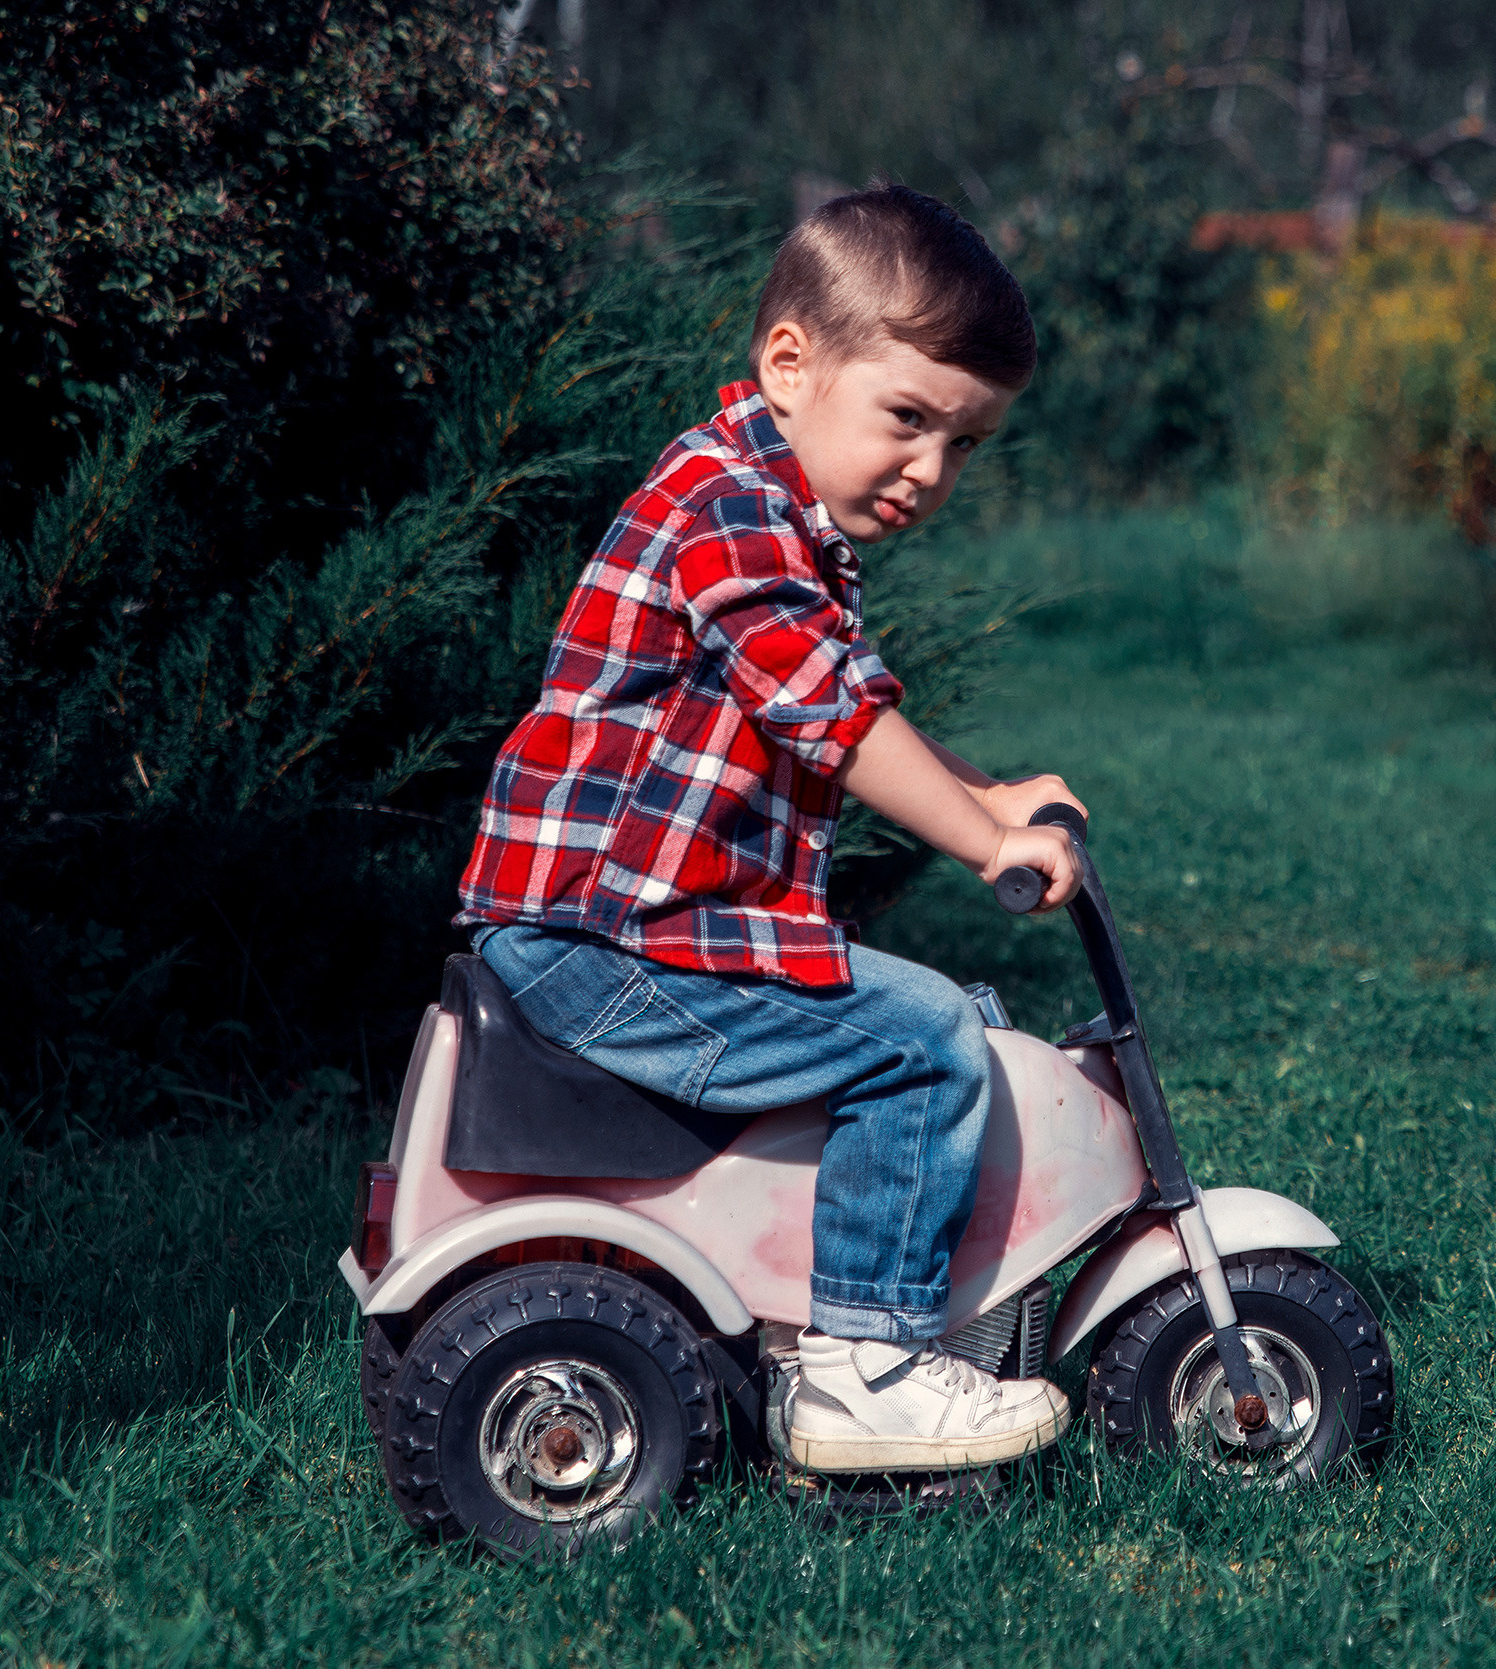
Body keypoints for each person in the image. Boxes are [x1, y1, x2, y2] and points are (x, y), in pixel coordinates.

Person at [455, 184, 1084, 1473]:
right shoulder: (727, 516)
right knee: (920, 1041)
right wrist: (981, 841)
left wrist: (989, 790)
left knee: (940, 1009)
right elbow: (833, 725)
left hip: (622, 930)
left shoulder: (766, 504)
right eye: (908, 420)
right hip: (604, 944)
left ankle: (870, 1291)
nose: (930, 470)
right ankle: (865, 1369)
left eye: (963, 446)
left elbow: (839, 701)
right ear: (790, 362)